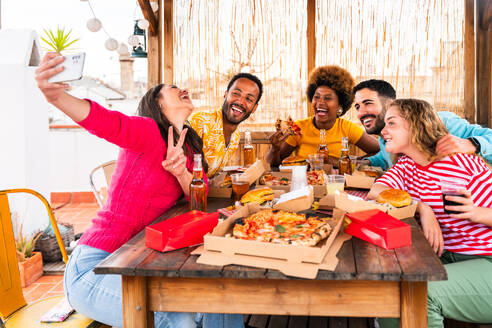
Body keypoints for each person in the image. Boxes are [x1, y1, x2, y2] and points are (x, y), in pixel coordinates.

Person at [35, 52, 244, 328]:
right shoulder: (146, 131)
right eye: (172, 88)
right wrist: (57, 97)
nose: (184, 89)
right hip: (95, 266)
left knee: (222, 299)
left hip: (140, 263)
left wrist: (181, 171)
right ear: (157, 103)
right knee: (180, 321)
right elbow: (105, 121)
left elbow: (199, 194)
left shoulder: (190, 145)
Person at [367, 99, 492, 328]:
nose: (383, 131)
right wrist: (420, 207)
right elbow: (377, 191)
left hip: (486, 261)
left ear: (415, 126)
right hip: (447, 257)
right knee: (390, 290)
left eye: (391, 123)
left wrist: (476, 212)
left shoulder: (462, 163)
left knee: (421, 292)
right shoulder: (408, 166)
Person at [353, 79, 492, 170]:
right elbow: (385, 158)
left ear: (389, 104)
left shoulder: (438, 123)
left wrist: (472, 144)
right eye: (357, 107)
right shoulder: (386, 139)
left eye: (368, 103)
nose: (361, 112)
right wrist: (368, 162)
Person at [267, 65, 380, 167]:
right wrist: (274, 149)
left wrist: (347, 161)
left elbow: (382, 152)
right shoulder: (298, 128)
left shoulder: (347, 128)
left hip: (336, 186)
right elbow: (274, 163)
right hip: (305, 185)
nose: (320, 102)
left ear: (340, 105)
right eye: (317, 97)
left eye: (327, 98)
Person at [189, 73, 263, 177]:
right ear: (225, 94)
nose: (240, 102)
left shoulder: (235, 137)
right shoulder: (200, 122)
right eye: (236, 94)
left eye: (249, 99)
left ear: (254, 108)